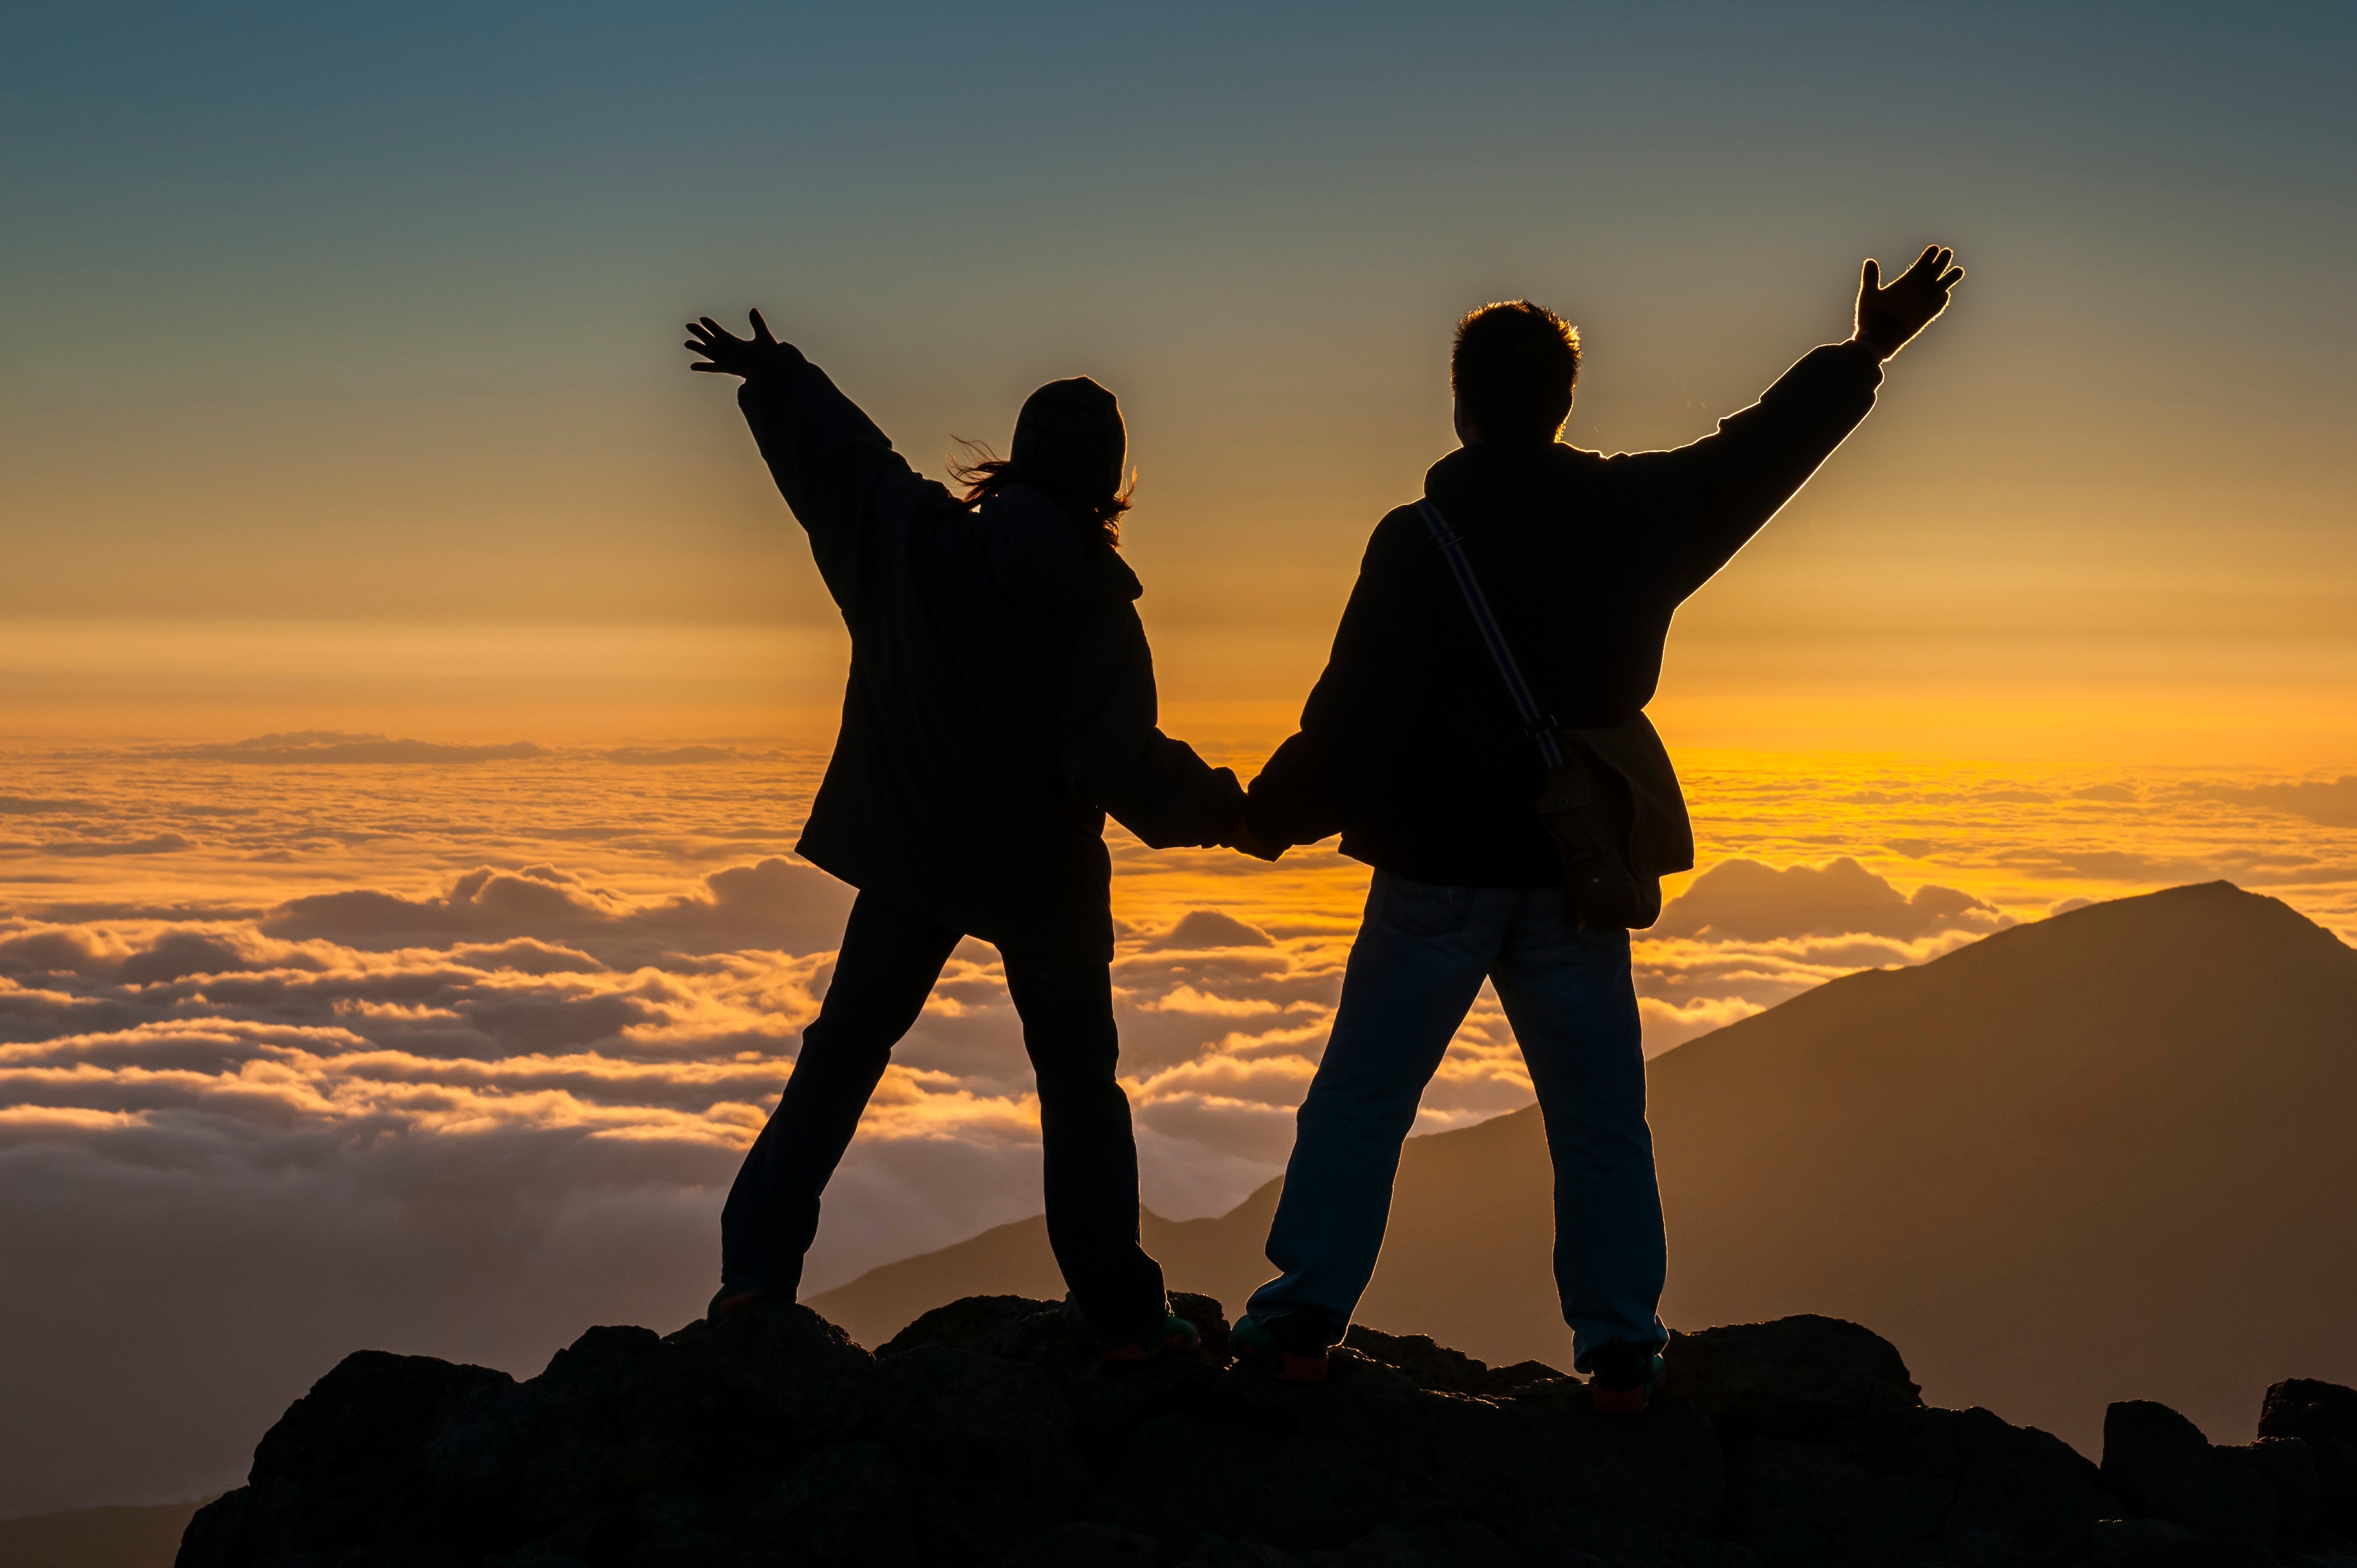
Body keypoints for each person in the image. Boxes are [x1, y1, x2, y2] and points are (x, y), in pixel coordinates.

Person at [1228, 247, 1966, 1407]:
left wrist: (1257, 818)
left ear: (1461, 402)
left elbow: (1353, 721)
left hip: (1432, 878)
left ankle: (1300, 1323)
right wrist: (1865, 352)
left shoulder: (1417, 541)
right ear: (1565, 405)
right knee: (1599, 1121)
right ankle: (1622, 1347)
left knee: (1363, 1103)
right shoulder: (1637, 515)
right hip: (1576, 876)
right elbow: (1761, 449)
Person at [685, 309, 1255, 1359]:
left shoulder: (914, 546)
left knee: (842, 1055)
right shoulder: (1097, 615)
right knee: (1080, 1089)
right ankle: (1124, 1319)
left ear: (1017, 459)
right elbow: (1119, 768)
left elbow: (846, 462)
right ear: (1108, 486)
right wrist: (1236, 813)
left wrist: (778, 374)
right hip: (1043, 886)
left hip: (911, 858)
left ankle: (752, 1281)